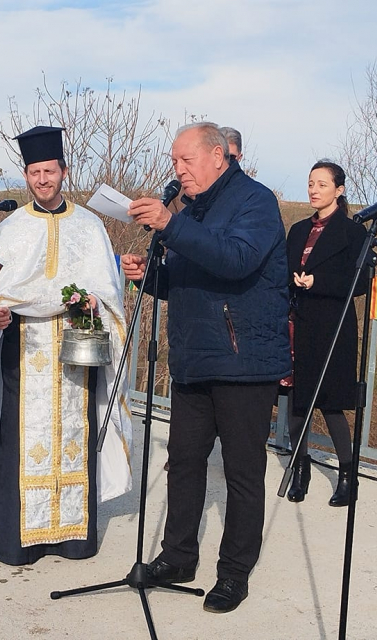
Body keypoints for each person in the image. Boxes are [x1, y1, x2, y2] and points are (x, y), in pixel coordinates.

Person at [0, 125, 133, 566]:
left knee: (74, 434)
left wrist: (93, 302)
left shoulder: (90, 226)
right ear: (27, 176)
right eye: (34, 172)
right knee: (17, 438)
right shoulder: (11, 228)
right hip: (22, 351)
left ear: (63, 172)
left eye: (49, 171)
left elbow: (110, 293)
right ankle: (16, 539)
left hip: (74, 351)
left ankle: (73, 538)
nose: (42, 180)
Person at [121, 122, 290, 614]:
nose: (178, 170)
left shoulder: (255, 202)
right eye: (174, 162)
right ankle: (177, 557)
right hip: (194, 357)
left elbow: (236, 260)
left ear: (218, 156)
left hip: (244, 361)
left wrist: (172, 226)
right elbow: (188, 281)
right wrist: (151, 275)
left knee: (241, 472)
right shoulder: (193, 210)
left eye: (185, 160)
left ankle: (234, 572)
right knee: (185, 462)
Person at [283, 161, 368, 505]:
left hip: (333, 326)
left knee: (331, 403)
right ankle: (299, 469)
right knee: (297, 403)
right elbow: (283, 268)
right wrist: (292, 279)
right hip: (297, 323)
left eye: (321, 184)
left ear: (339, 190)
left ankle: (348, 475)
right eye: (310, 183)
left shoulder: (353, 232)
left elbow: (361, 281)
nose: (314, 189)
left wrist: (319, 281)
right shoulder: (298, 229)